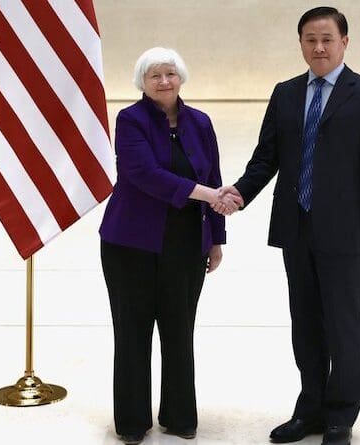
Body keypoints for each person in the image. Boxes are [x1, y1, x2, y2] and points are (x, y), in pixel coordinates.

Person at [217, 7, 360, 445]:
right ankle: (310, 407)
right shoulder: (286, 93)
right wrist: (238, 194)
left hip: (345, 230)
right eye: (310, 39)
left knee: (343, 325)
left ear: (344, 43)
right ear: (300, 44)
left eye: (327, 39)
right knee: (306, 325)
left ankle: (340, 416)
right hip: (296, 226)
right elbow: (266, 157)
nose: (318, 47)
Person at [99, 47, 240, 445]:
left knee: (179, 331)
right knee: (133, 331)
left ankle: (179, 417)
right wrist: (210, 194)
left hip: (185, 245)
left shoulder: (200, 122)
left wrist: (215, 239)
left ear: (182, 78)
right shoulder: (130, 120)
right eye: (154, 76)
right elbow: (146, 174)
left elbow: (213, 174)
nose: (164, 81)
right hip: (130, 243)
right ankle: (131, 422)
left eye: (170, 74)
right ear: (141, 82)